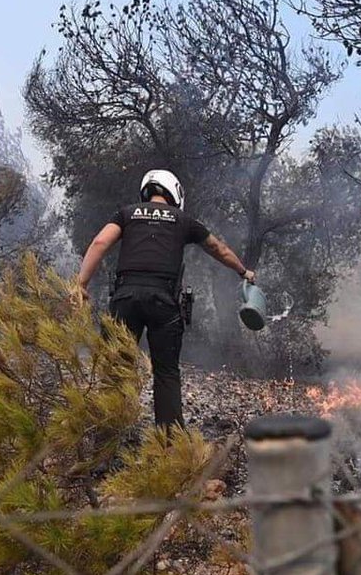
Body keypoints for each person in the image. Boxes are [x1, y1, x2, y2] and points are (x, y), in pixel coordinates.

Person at [77, 170, 255, 429]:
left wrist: (81, 283)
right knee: (166, 373)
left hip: (125, 298)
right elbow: (219, 248)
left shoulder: (127, 214)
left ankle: (106, 439)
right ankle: (170, 443)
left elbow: (100, 242)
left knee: (116, 369)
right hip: (164, 302)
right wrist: (243, 271)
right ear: (175, 193)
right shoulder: (184, 221)